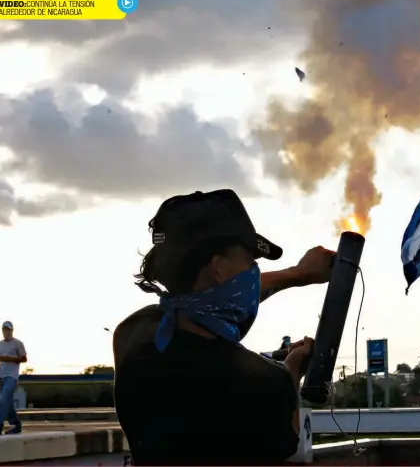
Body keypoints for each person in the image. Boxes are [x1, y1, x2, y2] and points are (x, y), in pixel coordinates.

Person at [113, 189, 335, 465]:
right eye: (250, 263)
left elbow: (203, 313)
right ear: (220, 269)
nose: (254, 273)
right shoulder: (265, 384)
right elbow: (286, 440)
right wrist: (292, 371)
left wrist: (298, 274)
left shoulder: (133, 334)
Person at [0, 321, 27, 436]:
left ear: (12, 331)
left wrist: (8, 359)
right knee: (8, 401)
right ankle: (16, 425)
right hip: (2, 375)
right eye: (5, 330)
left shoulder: (17, 343)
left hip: (12, 376)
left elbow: (24, 359)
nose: (6, 332)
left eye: (8, 330)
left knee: (3, 399)